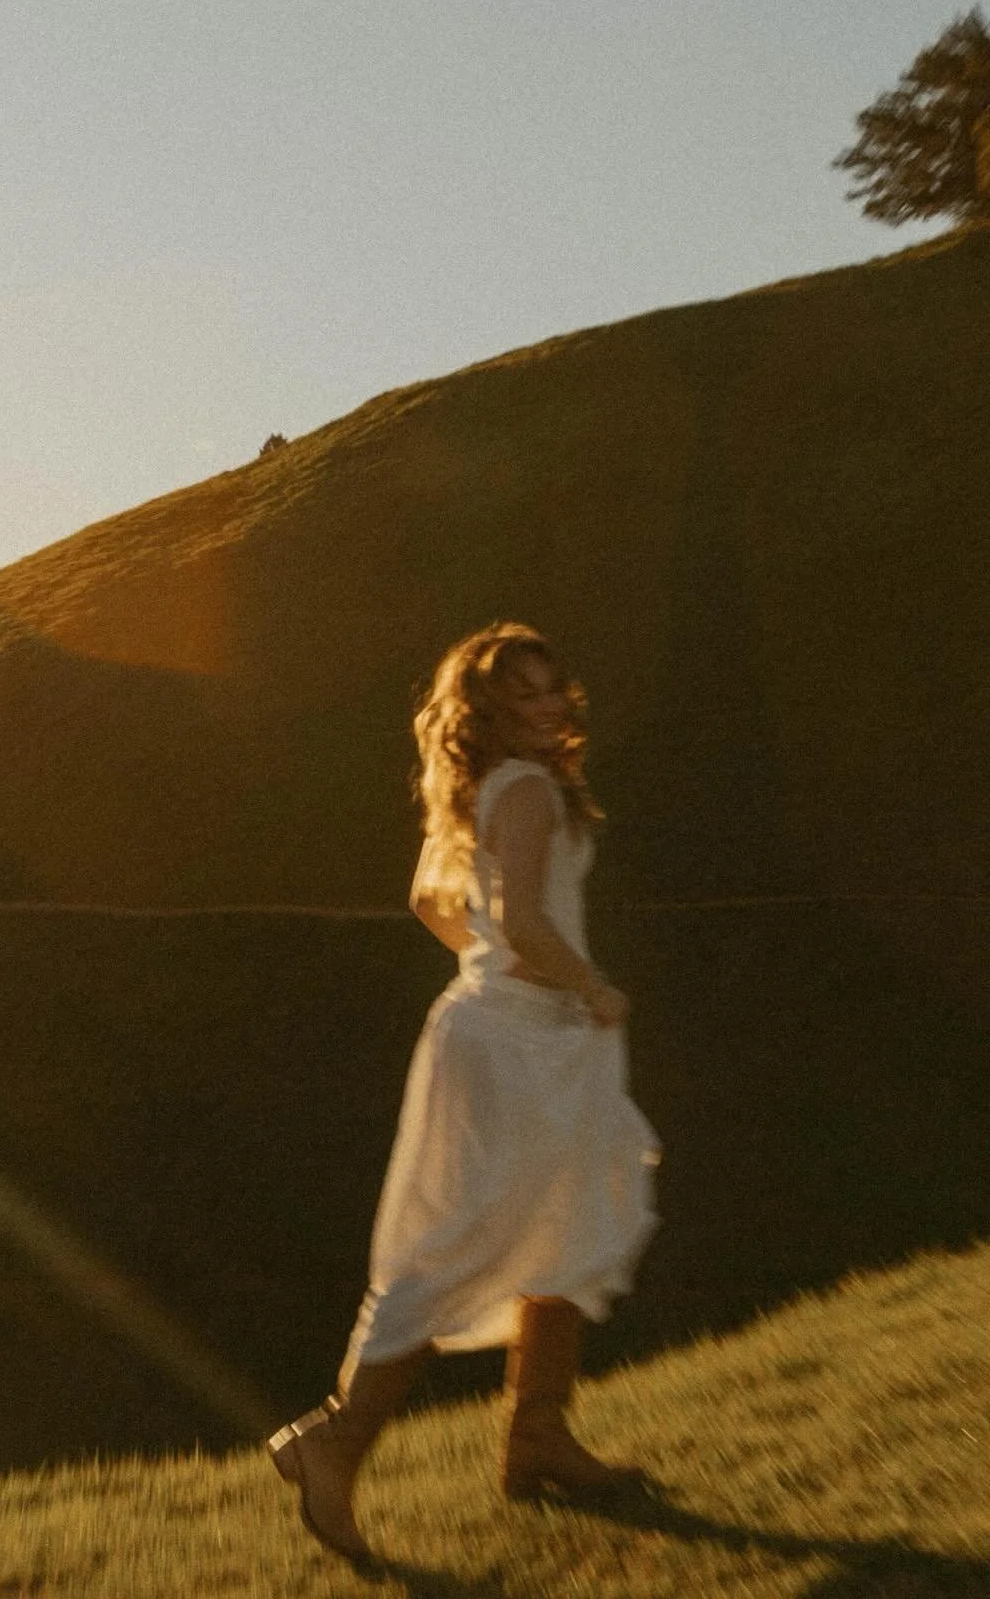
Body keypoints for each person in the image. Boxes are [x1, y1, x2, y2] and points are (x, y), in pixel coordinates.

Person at [269, 622, 661, 1564]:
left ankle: (538, 1440)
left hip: (513, 1034)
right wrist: (586, 986)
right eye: (525, 695)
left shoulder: (490, 786)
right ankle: (335, 1438)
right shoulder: (525, 788)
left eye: (552, 686)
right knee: (461, 1244)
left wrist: (497, 973)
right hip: (522, 1041)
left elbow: (432, 904)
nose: (551, 704)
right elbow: (522, 921)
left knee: (564, 1227)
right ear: (488, 713)